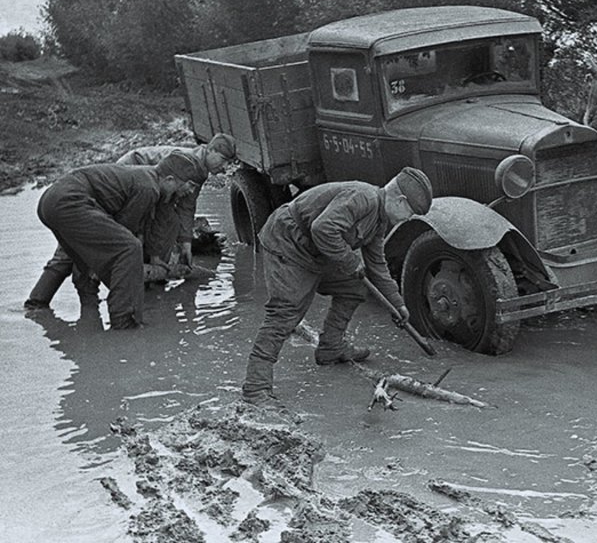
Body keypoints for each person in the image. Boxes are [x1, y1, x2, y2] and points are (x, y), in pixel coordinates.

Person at [242, 167, 434, 407]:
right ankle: (255, 388)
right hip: (288, 243)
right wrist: (350, 260)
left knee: (354, 286)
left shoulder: (379, 220)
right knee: (284, 313)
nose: (407, 219)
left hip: (317, 251)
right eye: (410, 213)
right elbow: (323, 229)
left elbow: (377, 264)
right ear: (400, 200)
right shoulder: (363, 198)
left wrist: (398, 304)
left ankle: (331, 346)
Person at [25, 134, 236, 309]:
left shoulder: (199, 171)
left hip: (144, 186)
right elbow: (153, 209)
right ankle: (40, 302)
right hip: (131, 176)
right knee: (84, 244)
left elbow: (185, 208)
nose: (225, 167)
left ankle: (111, 297)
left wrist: (186, 243)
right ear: (210, 150)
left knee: (157, 229)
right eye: (224, 160)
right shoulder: (187, 165)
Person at [35, 154, 198, 329]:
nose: (189, 191)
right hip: (69, 201)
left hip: (50, 201)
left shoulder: (150, 179)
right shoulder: (148, 188)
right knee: (129, 248)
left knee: (82, 258)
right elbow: (126, 227)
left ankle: (39, 305)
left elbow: (159, 217)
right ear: (170, 179)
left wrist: (156, 256)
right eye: (187, 185)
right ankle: (123, 322)